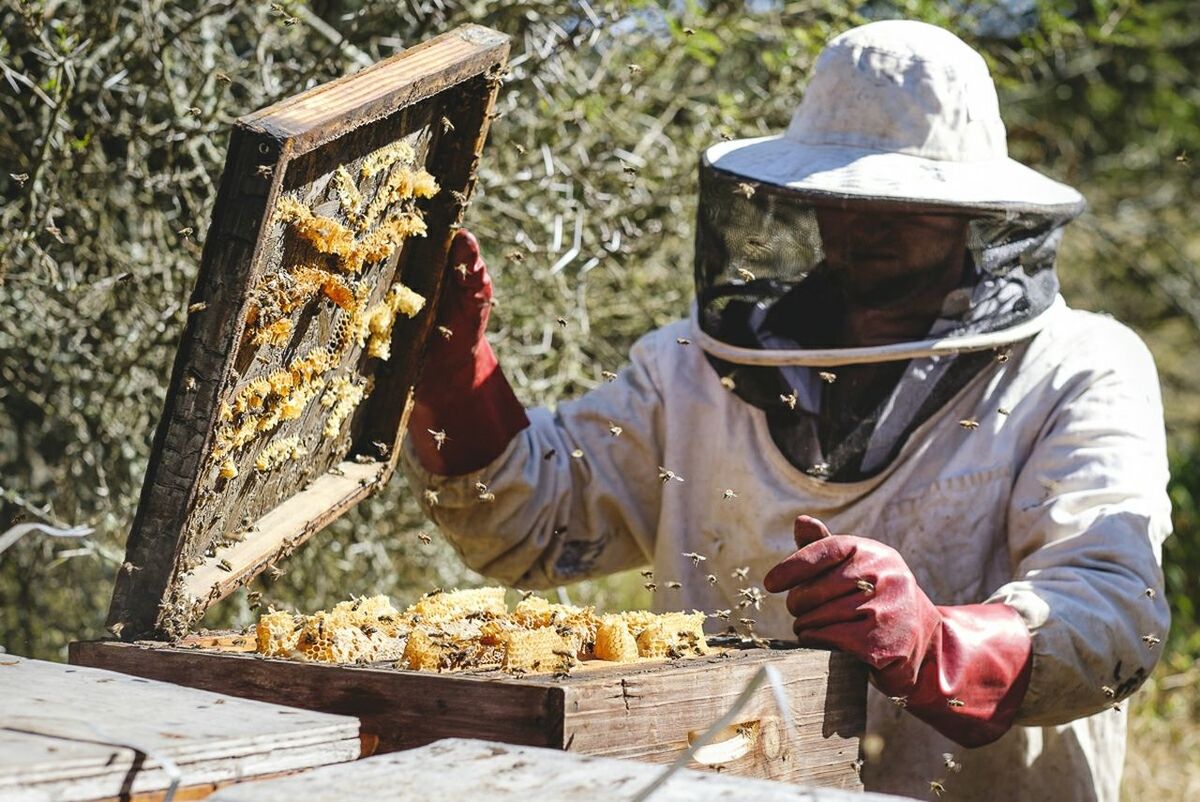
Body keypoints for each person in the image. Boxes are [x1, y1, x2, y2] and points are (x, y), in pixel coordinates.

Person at [402, 19, 1170, 802]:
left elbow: (1113, 611)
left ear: (974, 211)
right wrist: (456, 380)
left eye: (902, 200)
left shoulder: (1078, 367)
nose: (866, 221)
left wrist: (940, 643)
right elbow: (534, 526)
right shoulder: (692, 366)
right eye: (844, 192)